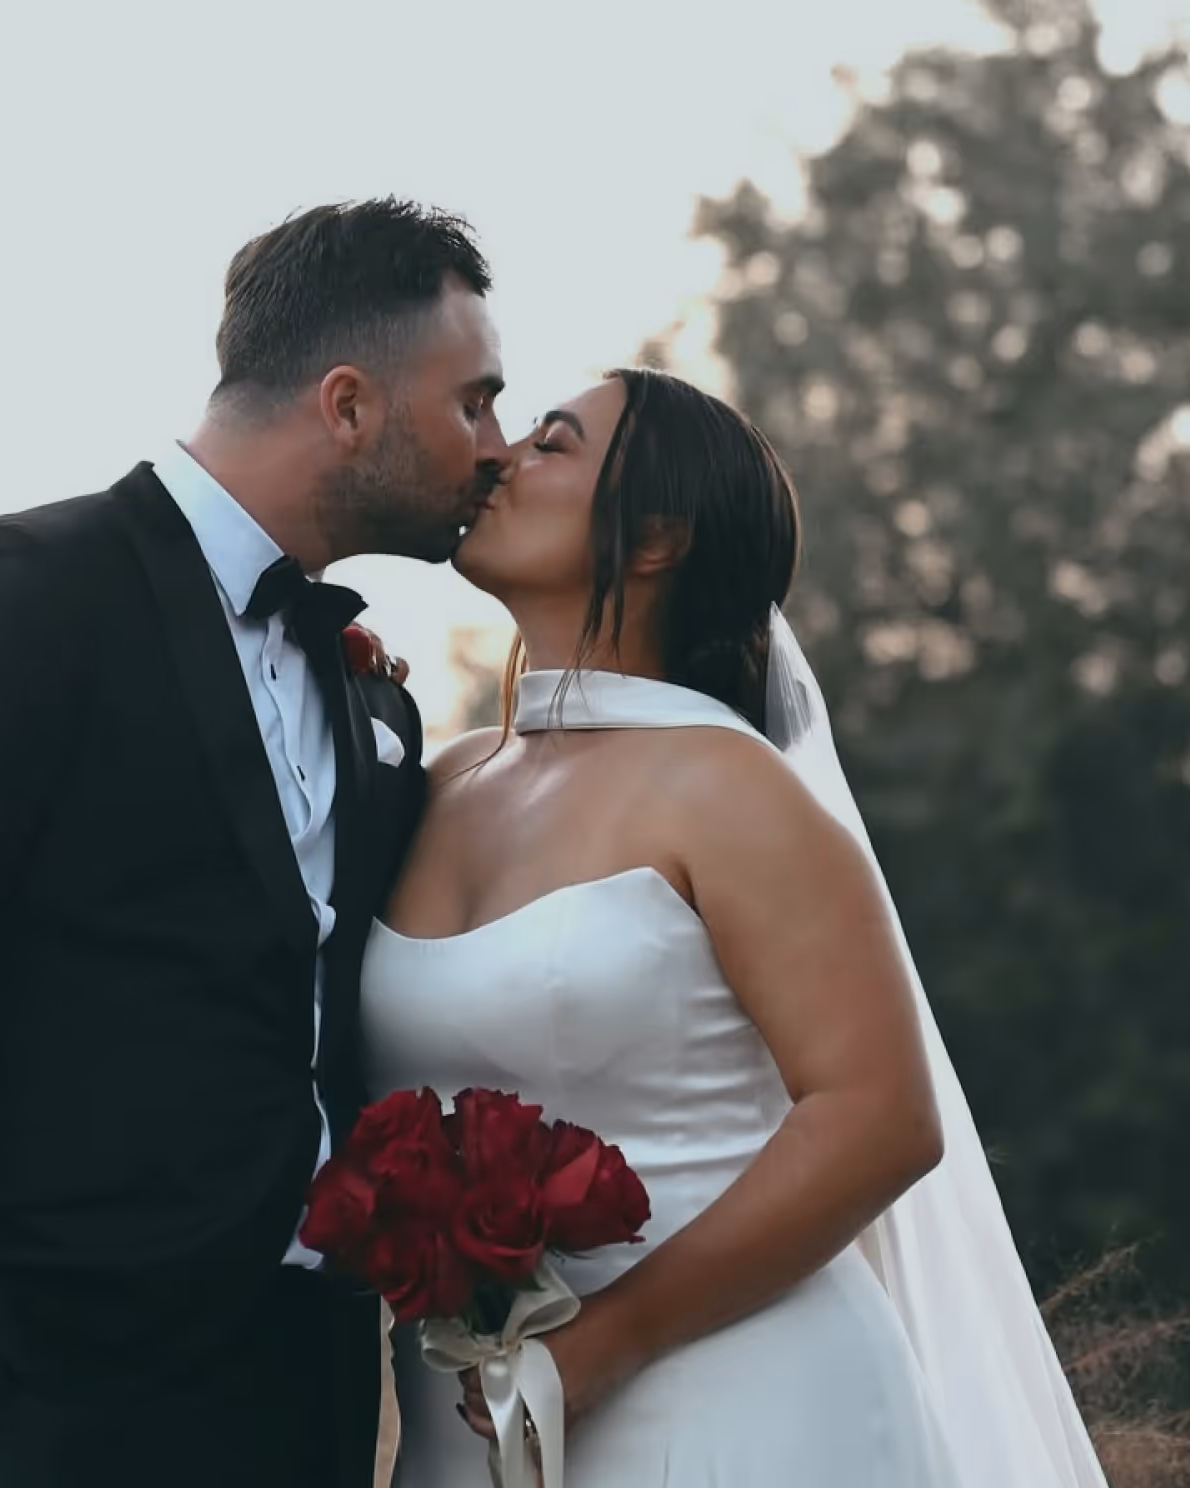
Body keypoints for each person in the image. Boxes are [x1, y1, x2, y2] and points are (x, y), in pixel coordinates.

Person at [0, 198, 510, 1488]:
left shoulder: (366, 690)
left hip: (303, 1397)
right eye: (475, 403)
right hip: (49, 1398)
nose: (495, 448)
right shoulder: (17, 594)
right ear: (348, 405)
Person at [363, 368, 1109, 1485]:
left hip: (738, 1403)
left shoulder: (730, 790)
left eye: (553, 444)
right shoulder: (441, 777)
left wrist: (611, 1341)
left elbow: (880, 1119)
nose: (497, 456)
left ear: (656, 538)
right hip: (469, 1415)